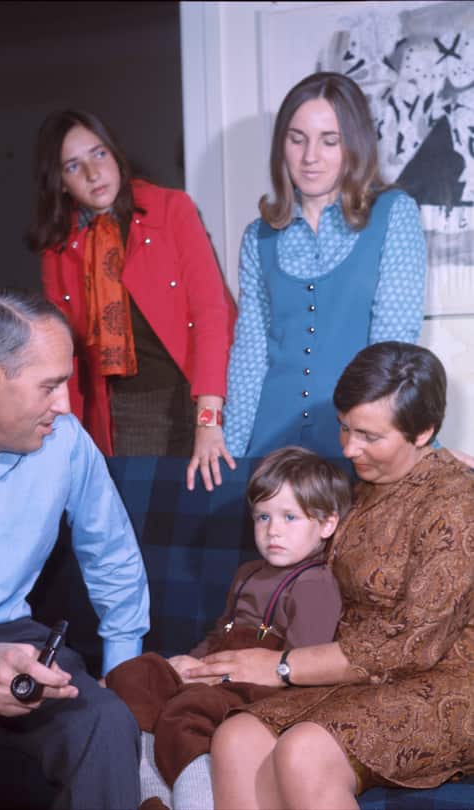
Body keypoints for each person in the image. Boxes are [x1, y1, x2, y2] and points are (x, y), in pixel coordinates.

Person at [184, 341, 474, 810]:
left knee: (305, 752)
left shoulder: (457, 502)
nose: (347, 447)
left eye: (369, 436)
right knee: (237, 737)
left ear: (423, 432)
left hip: (448, 682)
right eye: (344, 427)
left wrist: (282, 667)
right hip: (358, 678)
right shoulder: (360, 492)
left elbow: (412, 646)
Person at [0, 287, 150, 809]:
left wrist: (121, 669)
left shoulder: (66, 442)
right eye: (50, 387)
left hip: (14, 634)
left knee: (105, 723)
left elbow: (113, 556)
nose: (64, 405)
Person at [189, 71, 427, 489]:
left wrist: (373, 442)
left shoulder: (393, 214)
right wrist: (234, 452)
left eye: (329, 140)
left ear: (354, 145)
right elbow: (250, 354)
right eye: (297, 139)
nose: (310, 156)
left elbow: (393, 351)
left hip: (357, 444)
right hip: (273, 443)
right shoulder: (259, 236)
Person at [107, 446, 351, 810]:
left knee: (189, 709)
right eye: (263, 518)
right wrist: (191, 662)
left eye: (289, 518)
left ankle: (194, 802)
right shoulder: (247, 573)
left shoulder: (314, 583)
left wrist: (213, 680)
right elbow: (221, 632)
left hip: (263, 688)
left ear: (326, 524)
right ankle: (153, 793)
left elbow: (304, 664)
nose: (273, 531)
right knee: (134, 679)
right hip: (220, 671)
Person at [27, 108, 237, 478]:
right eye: (73, 166)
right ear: (60, 182)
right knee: (144, 526)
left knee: (217, 519)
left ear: (115, 153)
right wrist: (64, 444)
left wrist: (208, 419)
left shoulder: (171, 209)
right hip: (128, 409)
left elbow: (211, 312)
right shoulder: (58, 249)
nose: (93, 173)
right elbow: (62, 358)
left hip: (204, 392)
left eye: (99, 154)